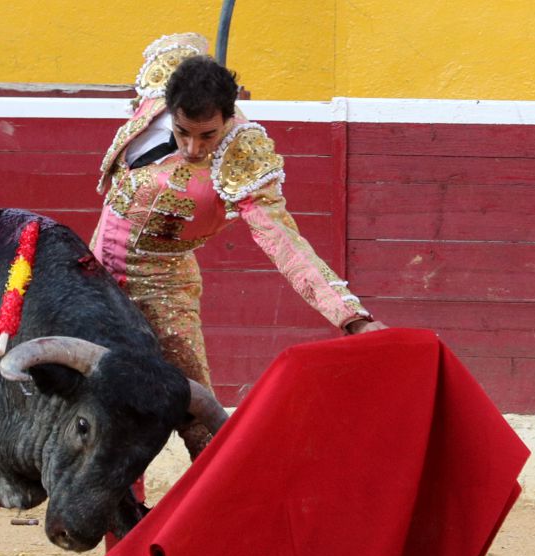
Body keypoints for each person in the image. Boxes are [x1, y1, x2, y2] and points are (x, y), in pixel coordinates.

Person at [91, 33, 387, 457]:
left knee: (197, 412)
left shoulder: (242, 155)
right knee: (96, 397)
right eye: (182, 133)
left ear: (227, 118)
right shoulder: (165, 82)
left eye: (207, 135)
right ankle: (119, 521)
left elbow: (284, 241)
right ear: (169, 108)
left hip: (163, 289)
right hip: (95, 271)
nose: (194, 148)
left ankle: (224, 509)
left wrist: (350, 317)